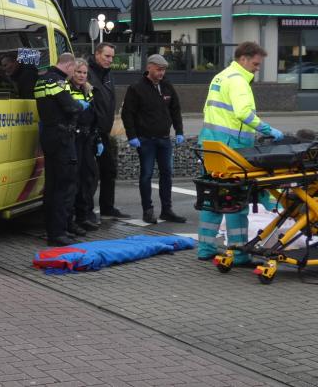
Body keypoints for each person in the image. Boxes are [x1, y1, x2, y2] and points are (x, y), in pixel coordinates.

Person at [197, 42, 284, 263]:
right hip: (232, 150)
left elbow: (208, 110)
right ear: (243, 59)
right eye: (255, 64)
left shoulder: (221, 77)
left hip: (211, 147)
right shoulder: (238, 81)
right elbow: (244, 113)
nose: (257, 68)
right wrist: (269, 130)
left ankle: (205, 248)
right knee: (235, 200)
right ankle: (238, 254)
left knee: (213, 198)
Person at [120, 54, 187, 224]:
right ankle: (147, 211)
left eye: (163, 70)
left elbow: (175, 109)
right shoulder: (136, 88)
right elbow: (128, 114)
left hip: (164, 139)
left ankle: (167, 210)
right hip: (146, 140)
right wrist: (132, 136)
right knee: (146, 175)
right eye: (158, 69)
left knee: (167, 174)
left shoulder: (167, 86)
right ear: (149, 67)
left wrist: (179, 131)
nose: (161, 73)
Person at [34, 52, 86, 246]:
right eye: (74, 70)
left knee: (51, 184)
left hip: (48, 135)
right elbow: (71, 107)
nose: (74, 74)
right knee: (63, 185)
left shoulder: (41, 80)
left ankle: (51, 230)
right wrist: (81, 106)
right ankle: (58, 233)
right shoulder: (58, 82)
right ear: (69, 66)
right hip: (62, 137)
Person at [88, 43, 130, 219]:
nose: (110, 60)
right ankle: (86, 211)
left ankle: (107, 207)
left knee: (109, 170)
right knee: (90, 174)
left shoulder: (108, 75)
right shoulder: (87, 73)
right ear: (97, 54)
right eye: (107, 56)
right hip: (90, 132)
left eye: (112, 57)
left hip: (104, 132)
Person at [68, 58, 102, 234]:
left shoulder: (88, 91)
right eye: (78, 72)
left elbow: (94, 117)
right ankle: (72, 219)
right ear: (71, 72)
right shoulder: (67, 89)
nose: (81, 76)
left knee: (88, 178)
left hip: (87, 139)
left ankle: (84, 215)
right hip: (74, 139)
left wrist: (98, 139)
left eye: (84, 73)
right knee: (74, 180)